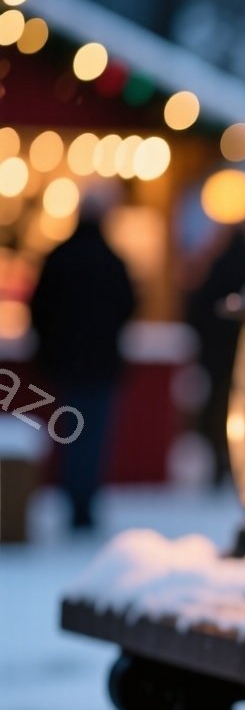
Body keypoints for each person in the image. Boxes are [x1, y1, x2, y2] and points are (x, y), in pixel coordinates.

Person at [28, 183, 137, 532]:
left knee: (70, 432)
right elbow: (129, 306)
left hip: (66, 364)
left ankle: (74, 501)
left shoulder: (58, 257)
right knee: (95, 435)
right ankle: (85, 504)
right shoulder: (113, 260)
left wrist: (50, 349)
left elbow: (38, 309)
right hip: (102, 363)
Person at [185, 225, 245, 485]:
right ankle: (239, 460)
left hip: (216, 355)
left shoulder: (216, 267)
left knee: (216, 408)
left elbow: (197, 309)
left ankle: (219, 459)